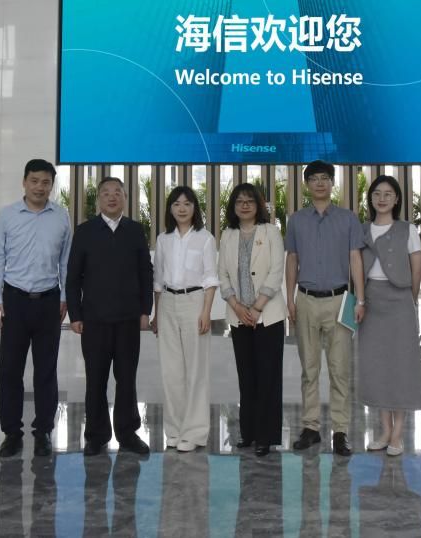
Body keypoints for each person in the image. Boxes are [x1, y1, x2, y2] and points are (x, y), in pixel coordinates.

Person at [66, 176, 153, 456]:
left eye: (117, 192)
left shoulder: (135, 230)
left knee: (127, 378)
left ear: (125, 198)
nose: (112, 197)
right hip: (94, 320)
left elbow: (146, 272)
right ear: (98, 200)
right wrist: (75, 314)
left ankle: (128, 433)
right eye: (106, 193)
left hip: (128, 319)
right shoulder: (85, 231)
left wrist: (145, 310)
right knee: (96, 379)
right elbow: (72, 276)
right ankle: (96, 435)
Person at [0, 159, 72, 458]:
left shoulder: (61, 216)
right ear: (24, 182)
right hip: (14, 300)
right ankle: (11, 432)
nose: (40, 187)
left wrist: (65, 296)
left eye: (46, 182)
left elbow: (65, 260)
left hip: (49, 300)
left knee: (46, 370)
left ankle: (43, 432)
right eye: (34, 181)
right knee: (10, 370)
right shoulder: (7, 215)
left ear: (52, 185)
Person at [285, 160, 365, 455]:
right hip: (306, 300)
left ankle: (340, 432)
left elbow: (355, 259)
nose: (320, 183)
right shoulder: (296, 220)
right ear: (307, 185)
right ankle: (310, 427)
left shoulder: (348, 219)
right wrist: (290, 298)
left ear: (332, 183)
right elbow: (292, 259)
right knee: (309, 369)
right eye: (314, 179)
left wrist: (360, 299)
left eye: (325, 178)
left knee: (339, 369)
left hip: (340, 300)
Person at [357, 175, 421, 456]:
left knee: (401, 365)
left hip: (400, 300)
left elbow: (417, 266)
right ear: (370, 199)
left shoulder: (407, 230)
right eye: (376, 193)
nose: (382, 198)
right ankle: (384, 430)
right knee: (377, 366)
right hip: (370, 301)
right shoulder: (362, 230)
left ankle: (398, 433)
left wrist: (411, 298)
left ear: (397, 199)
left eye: (388, 194)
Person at [217, 183, 285, 456]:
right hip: (239, 316)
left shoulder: (271, 232)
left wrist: (257, 308)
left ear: (258, 205)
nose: (244, 205)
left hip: (268, 315)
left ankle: (266, 436)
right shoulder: (228, 235)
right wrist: (236, 306)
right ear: (233, 207)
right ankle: (249, 433)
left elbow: (276, 271)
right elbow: (222, 274)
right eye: (239, 201)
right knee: (246, 377)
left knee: (268, 376)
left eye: (250, 201)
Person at [151, 186, 218, 452]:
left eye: (187, 204)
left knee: (196, 370)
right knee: (171, 371)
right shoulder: (163, 239)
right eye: (177, 204)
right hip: (167, 303)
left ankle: (195, 432)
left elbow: (210, 279)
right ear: (170, 208)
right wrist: (156, 313)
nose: (182, 208)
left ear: (194, 208)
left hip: (195, 302)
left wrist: (206, 312)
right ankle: (175, 429)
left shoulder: (205, 238)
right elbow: (158, 281)